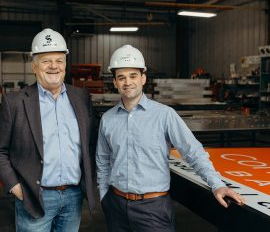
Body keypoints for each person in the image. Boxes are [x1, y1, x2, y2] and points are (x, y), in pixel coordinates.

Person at [96, 44, 245, 232]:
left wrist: (216, 184)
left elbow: (193, 152)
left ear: (143, 78)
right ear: (115, 82)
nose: (127, 82)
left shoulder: (165, 115)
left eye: (133, 76)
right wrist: (104, 196)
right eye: (121, 77)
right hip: (116, 206)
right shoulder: (108, 119)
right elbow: (102, 161)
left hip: (153, 208)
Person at [0, 28, 96, 232]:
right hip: (35, 196)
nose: (53, 66)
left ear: (65, 65)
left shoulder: (81, 98)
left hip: (73, 196)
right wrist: (15, 187)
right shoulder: (15, 103)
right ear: (34, 66)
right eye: (46, 60)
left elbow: (90, 144)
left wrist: (87, 183)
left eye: (59, 60)